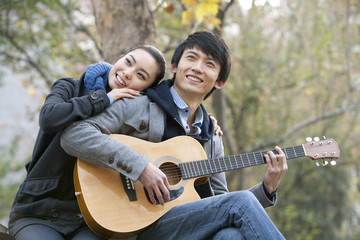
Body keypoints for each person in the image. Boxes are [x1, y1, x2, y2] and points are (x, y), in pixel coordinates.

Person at [61, 31, 288, 239]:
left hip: (184, 229)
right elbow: (75, 134)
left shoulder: (212, 137)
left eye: (209, 64)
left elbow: (220, 200)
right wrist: (140, 167)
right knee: (241, 202)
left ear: (220, 82)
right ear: (175, 66)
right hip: (136, 224)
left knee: (230, 237)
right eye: (191, 58)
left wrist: (266, 188)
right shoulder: (138, 105)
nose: (198, 67)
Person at [8, 45, 168, 240]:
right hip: (37, 211)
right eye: (128, 62)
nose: (127, 73)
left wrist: (201, 121)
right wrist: (104, 99)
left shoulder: (132, 118)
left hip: (91, 220)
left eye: (140, 75)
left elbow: (169, 134)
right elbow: (49, 118)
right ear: (119, 58)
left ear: (146, 90)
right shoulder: (69, 87)